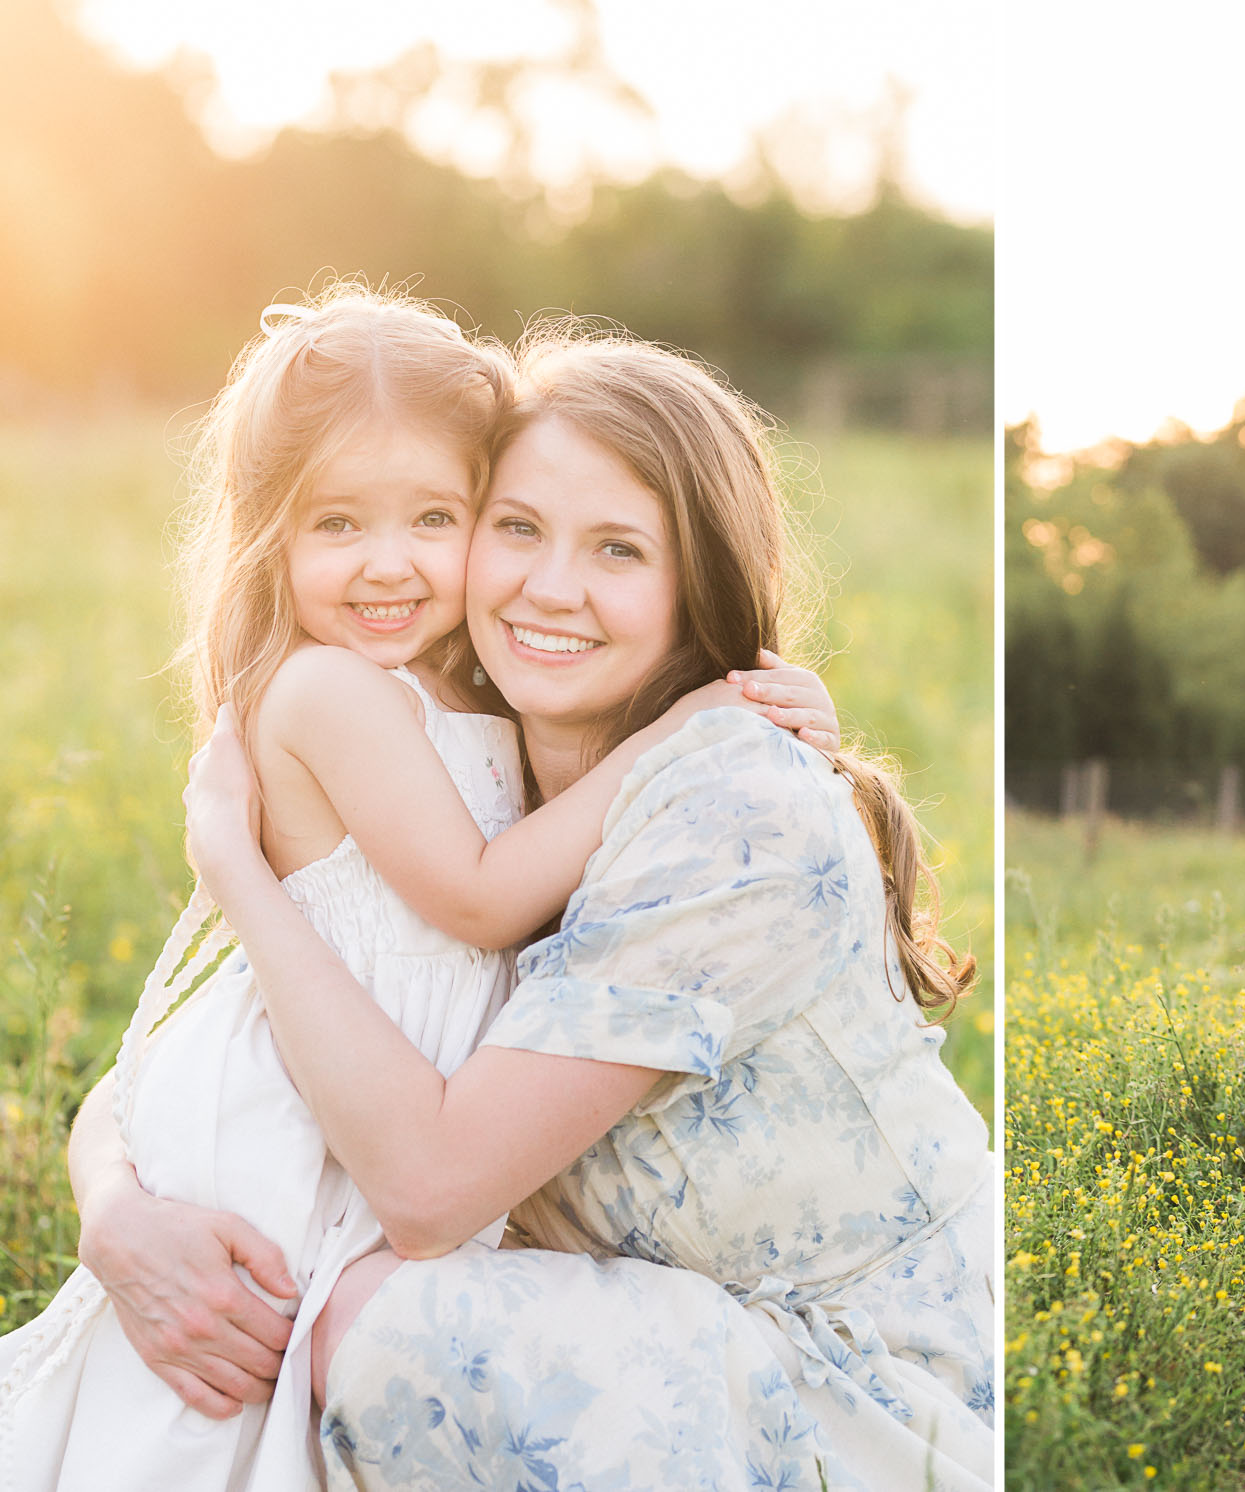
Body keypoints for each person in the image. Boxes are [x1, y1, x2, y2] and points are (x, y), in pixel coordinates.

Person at [99, 326, 995, 1489]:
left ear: (698, 585)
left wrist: (235, 869)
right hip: (665, 1314)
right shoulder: (469, 758)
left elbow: (424, 1192)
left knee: (374, 1321)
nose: (549, 586)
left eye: (618, 548)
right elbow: (223, 1032)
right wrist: (114, 1212)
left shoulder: (731, 812)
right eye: (516, 527)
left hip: (858, 1382)